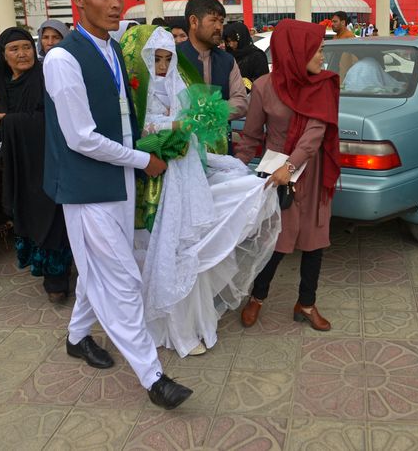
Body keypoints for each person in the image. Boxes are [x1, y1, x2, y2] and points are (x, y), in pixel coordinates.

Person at [42, 0, 192, 409]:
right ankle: (153, 377)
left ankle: (75, 337)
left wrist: (154, 141)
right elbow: (80, 137)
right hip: (88, 187)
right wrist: (144, 159)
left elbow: (122, 122)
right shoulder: (62, 58)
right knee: (124, 278)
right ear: (79, 1)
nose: (115, 3)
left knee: (98, 270)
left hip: (120, 179)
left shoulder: (111, 49)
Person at [123, 26, 281, 358]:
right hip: (155, 188)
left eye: (168, 58)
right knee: (167, 253)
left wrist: (224, 160)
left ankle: (191, 323)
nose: (163, 67)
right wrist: (174, 128)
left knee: (191, 251)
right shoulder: (133, 95)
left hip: (189, 183)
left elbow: (197, 141)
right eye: (156, 59)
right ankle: (170, 326)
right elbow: (140, 133)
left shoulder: (181, 88)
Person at [236, 20, 341, 332]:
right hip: (275, 174)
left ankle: (306, 304)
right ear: (297, 50)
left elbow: (315, 133)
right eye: (318, 50)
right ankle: (257, 297)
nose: (322, 57)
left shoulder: (321, 85)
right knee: (276, 242)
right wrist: (236, 169)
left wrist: (291, 167)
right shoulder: (265, 87)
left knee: (314, 241)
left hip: (310, 172)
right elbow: (252, 134)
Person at [0, 27, 73, 304]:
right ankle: (44, 270)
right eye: (14, 49)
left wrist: (8, 121)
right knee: (27, 214)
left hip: (46, 161)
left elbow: (51, 118)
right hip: (21, 165)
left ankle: (58, 279)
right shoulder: (6, 84)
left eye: (26, 47)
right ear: (3, 56)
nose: (22, 54)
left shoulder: (43, 78)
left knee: (51, 218)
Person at [177, 0, 248, 120]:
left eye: (221, 21)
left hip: (219, 138)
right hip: (183, 137)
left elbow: (241, 102)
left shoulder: (227, 60)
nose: (219, 27)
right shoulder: (174, 58)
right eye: (213, 20)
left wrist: (210, 113)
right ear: (194, 21)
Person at [222, 22, 269, 92]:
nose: (231, 45)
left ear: (241, 38)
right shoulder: (228, 56)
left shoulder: (257, 56)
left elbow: (261, 84)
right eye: (228, 42)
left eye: (233, 41)